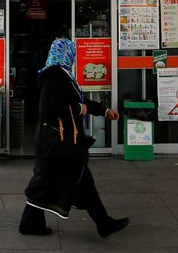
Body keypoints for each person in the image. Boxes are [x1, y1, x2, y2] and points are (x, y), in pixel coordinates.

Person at [19, 37, 129, 238]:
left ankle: (103, 223)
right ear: (66, 53)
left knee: (71, 181)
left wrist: (103, 111)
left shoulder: (60, 74)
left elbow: (75, 100)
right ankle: (30, 224)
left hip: (59, 143)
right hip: (57, 143)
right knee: (49, 182)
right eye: (72, 51)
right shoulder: (54, 75)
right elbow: (59, 107)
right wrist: (82, 108)